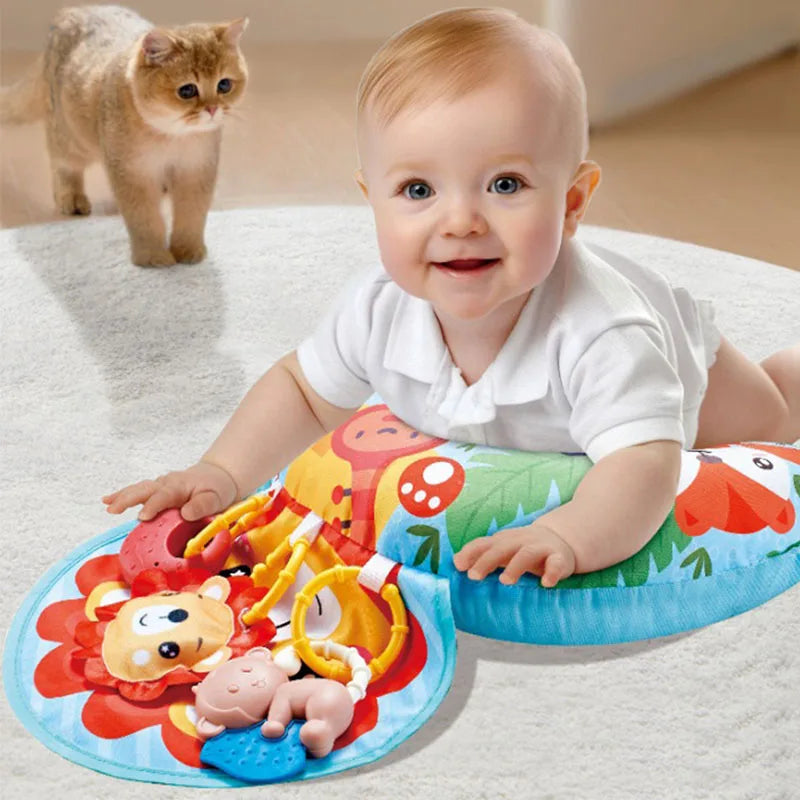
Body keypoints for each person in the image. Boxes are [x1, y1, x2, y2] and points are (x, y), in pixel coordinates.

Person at [103, 7, 800, 588]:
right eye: (417, 190)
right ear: (372, 201)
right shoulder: (377, 307)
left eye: (504, 185)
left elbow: (643, 462)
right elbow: (303, 392)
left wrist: (571, 534)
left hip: (685, 371)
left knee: (772, 419)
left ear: (572, 203)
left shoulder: (605, 335)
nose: (460, 221)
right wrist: (221, 471)